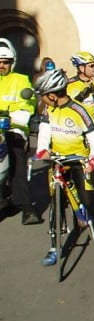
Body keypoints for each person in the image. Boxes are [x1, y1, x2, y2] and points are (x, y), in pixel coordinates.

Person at [34, 69, 94, 266]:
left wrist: (93, 158)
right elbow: (44, 130)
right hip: (58, 159)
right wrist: (42, 149)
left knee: (86, 194)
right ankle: (54, 246)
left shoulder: (79, 110)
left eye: (44, 96)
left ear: (52, 94)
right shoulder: (48, 110)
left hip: (80, 160)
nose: (43, 100)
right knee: (55, 203)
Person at [0, 38, 41, 224]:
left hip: (12, 129)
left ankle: (26, 207)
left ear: (12, 62)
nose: (1, 65)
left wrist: (20, 115)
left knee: (17, 160)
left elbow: (28, 103)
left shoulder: (21, 80)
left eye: (5, 62)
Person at [66, 51, 94, 163]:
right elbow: (66, 107)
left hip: (92, 124)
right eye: (91, 66)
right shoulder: (69, 85)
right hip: (73, 125)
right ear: (81, 68)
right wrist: (81, 96)